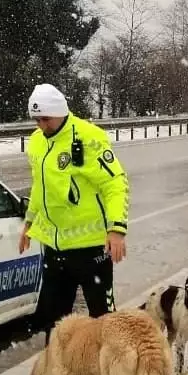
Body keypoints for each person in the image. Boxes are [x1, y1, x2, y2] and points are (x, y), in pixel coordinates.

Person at [19, 83, 129, 342]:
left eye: (46, 119)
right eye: (36, 120)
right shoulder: (36, 143)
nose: (41, 126)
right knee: (55, 327)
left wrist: (116, 229)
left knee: (104, 323)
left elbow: (116, 184)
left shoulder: (89, 138)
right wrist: (29, 223)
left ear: (60, 112)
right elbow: (40, 187)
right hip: (55, 249)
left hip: (91, 249)